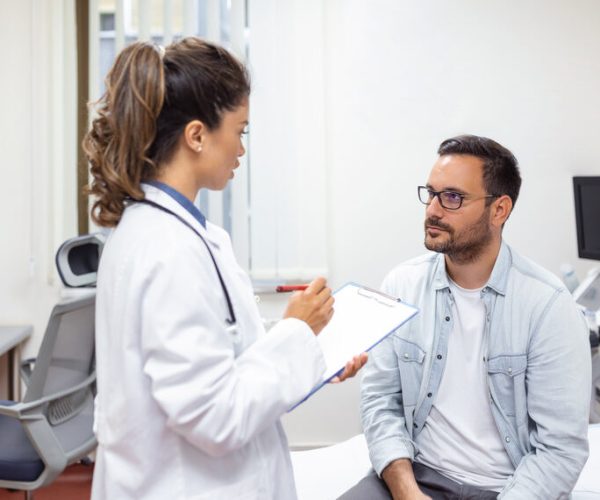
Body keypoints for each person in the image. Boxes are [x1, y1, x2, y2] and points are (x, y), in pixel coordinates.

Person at [83, 37, 367, 500]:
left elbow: (222, 350)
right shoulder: (168, 250)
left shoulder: (175, 234)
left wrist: (308, 344)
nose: (241, 148)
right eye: (240, 130)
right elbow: (214, 415)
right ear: (197, 135)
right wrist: (295, 334)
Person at [340, 135, 591, 499]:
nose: (433, 210)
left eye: (453, 197)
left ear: (499, 210)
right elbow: (381, 402)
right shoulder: (402, 285)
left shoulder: (548, 306)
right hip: (416, 476)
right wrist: (407, 491)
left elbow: (560, 451)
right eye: (431, 193)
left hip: (507, 489)